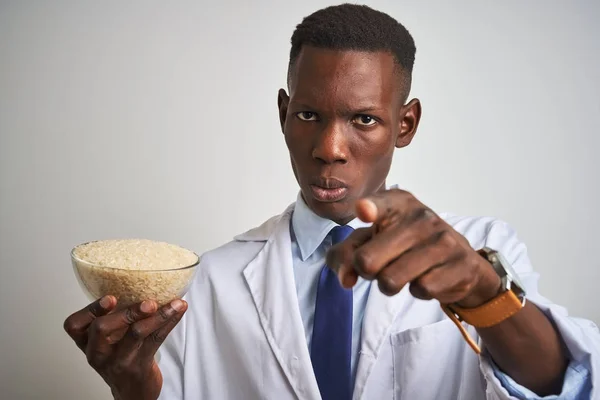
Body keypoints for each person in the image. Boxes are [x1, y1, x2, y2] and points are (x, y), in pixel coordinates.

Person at [63, 4, 599, 400]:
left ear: (405, 124)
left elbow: (570, 385)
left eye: (364, 119)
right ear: (283, 113)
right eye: (308, 115)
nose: (328, 149)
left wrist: (482, 291)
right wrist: (133, 387)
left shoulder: (483, 248)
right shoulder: (208, 282)